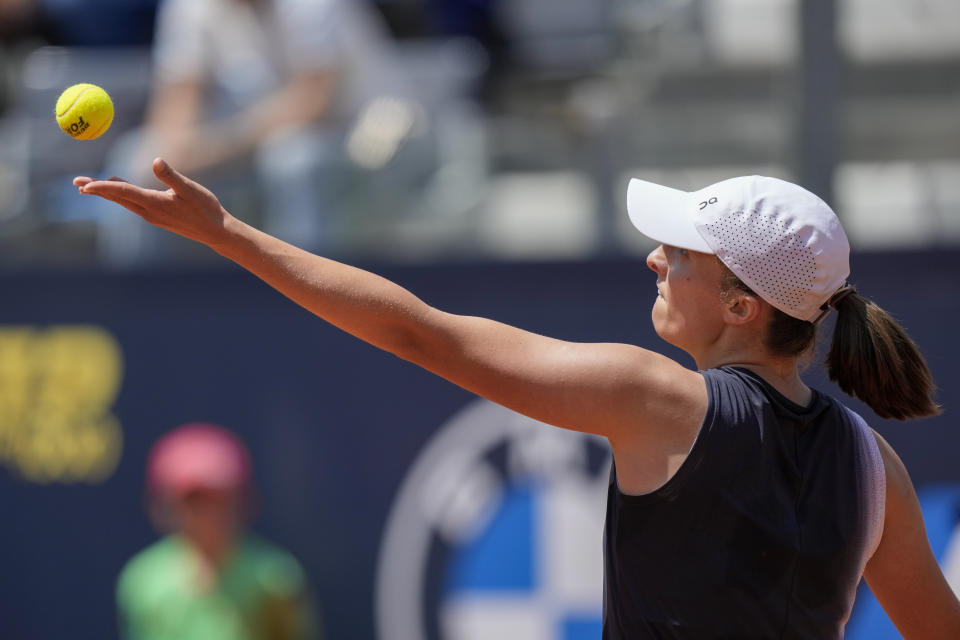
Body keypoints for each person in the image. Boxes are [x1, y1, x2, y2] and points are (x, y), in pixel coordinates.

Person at [78, 159, 960, 639]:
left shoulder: (660, 399)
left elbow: (422, 334)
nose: (657, 257)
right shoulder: (869, 461)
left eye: (681, 254)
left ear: (742, 307)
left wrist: (227, 234)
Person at [97, 0, 399, 263]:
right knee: (136, 159)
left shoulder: (315, 4)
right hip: (251, 148)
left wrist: (216, 148)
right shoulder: (190, 6)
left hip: (368, 144)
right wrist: (168, 158)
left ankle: (308, 306)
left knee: (294, 159)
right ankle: (140, 304)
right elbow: (179, 99)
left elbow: (313, 98)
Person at [116, 422, 319, 640]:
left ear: (241, 501)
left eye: (217, 500)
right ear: (164, 506)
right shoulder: (142, 582)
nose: (205, 514)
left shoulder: (276, 578)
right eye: (192, 500)